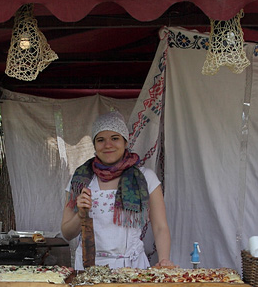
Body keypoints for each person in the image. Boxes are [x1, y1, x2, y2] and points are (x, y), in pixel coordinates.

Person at [61, 111, 176, 269]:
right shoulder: (80, 180)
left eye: (115, 138)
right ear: (94, 145)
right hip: (89, 268)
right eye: (101, 140)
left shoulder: (145, 178)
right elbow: (67, 233)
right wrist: (80, 215)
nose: (108, 145)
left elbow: (160, 227)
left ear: (125, 142)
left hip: (132, 268)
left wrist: (164, 260)